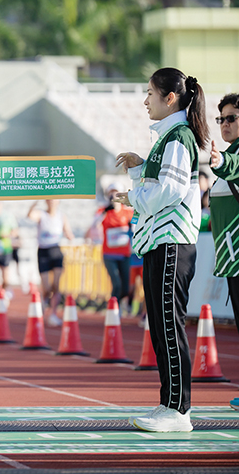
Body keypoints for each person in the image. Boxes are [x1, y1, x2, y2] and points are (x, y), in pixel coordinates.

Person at [112, 67, 208, 433]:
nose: (145, 101)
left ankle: (179, 410)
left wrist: (133, 196)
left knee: (169, 324)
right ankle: (169, 403)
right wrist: (139, 170)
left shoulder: (178, 136)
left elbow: (169, 192)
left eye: (150, 93)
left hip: (172, 242)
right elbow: (162, 185)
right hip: (160, 241)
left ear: (170, 98)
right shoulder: (168, 137)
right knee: (161, 325)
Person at [208, 92, 239, 412]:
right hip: (231, 261)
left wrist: (221, 162)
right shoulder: (229, 155)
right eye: (221, 119)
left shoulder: (231, 159)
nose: (224, 124)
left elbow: (234, 166)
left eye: (232, 118)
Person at [88, 185, 135, 313]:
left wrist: (132, 226)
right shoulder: (103, 211)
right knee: (116, 283)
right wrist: (104, 212)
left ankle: (118, 304)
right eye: (111, 194)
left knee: (126, 287)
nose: (114, 196)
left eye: (116, 193)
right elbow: (94, 225)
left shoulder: (127, 212)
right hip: (109, 254)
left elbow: (136, 226)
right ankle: (114, 309)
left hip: (125, 254)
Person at [27, 199, 74, 327]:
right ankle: (43, 303)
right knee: (47, 287)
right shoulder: (41, 214)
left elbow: (68, 231)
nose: (52, 202)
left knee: (57, 285)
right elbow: (30, 216)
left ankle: (53, 313)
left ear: (58, 202)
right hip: (43, 251)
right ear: (46, 201)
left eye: (54, 200)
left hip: (56, 250)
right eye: (50, 200)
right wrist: (34, 203)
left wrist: (70, 237)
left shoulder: (61, 216)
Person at [0, 201, 19, 294]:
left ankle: (5, 293)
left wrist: (8, 235)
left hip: (5, 249)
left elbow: (15, 231)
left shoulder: (8, 216)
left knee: (5, 277)